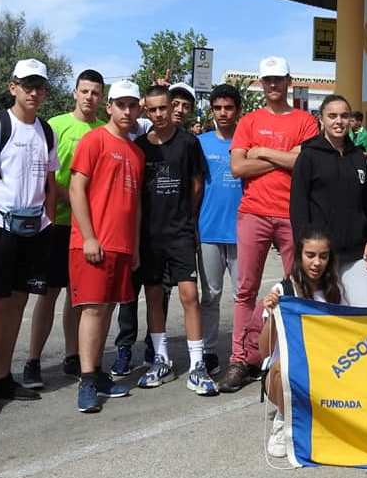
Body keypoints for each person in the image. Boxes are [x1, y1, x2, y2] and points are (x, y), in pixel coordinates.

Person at [220, 56, 318, 393]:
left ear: (288, 81)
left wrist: (260, 152)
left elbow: (303, 161)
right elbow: (238, 168)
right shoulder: (249, 121)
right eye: (268, 80)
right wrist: (282, 159)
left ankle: (290, 353)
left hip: (293, 214)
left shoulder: (305, 120)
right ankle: (240, 357)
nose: (273, 85)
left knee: (298, 286)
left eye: (278, 79)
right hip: (255, 213)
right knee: (245, 289)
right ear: (261, 84)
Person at [0, 58, 58, 416]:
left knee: (19, 304)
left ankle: (5, 376)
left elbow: (50, 182)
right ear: (13, 87)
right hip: (0, 229)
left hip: (34, 232)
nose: (34, 92)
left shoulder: (46, 131)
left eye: (40, 86)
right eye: (28, 85)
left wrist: (49, 220)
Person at [22, 70, 105, 390]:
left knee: (79, 297)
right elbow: (43, 175)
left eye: (95, 93)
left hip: (87, 228)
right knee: (47, 293)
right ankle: (33, 360)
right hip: (54, 224)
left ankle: (73, 356)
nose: (89, 98)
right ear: (75, 93)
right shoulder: (54, 126)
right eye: (84, 91)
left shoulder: (103, 130)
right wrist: (57, 199)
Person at [135, 85, 217, 396]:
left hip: (181, 232)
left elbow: (197, 184)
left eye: (163, 108)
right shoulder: (141, 146)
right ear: (147, 111)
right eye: (152, 110)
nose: (158, 114)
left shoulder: (188, 143)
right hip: (150, 236)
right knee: (155, 297)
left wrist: (188, 220)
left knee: (188, 296)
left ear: (173, 108)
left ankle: (197, 365)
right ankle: (161, 359)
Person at [69, 80, 144, 412]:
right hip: (94, 243)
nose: (126, 111)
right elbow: (76, 188)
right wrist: (88, 236)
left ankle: (97, 371)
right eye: (121, 104)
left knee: (108, 309)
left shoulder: (136, 151)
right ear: (109, 106)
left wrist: (136, 246)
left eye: (132, 105)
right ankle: (86, 380)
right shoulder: (94, 139)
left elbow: (136, 205)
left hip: (123, 245)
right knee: (93, 309)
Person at [259, 225, 342, 458]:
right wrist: (272, 315)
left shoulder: (334, 292)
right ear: (299, 256)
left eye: (323, 256)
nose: (317, 263)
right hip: (286, 372)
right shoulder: (282, 291)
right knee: (278, 370)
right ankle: (283, 419)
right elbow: (263, 350)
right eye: (310, 255)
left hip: (322, 368)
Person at [291, 95, 367, 306]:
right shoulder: (309, 155)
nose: (338, 121)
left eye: (344, 116)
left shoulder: (358, 156)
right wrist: (305, 250)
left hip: (356, 254)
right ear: (321, 119)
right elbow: (298, 206)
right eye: (332, 116)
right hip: (322, 257)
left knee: (364, 312)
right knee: (327, 319)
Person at [196, 84, 243, 376]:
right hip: (208, 230)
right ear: (211, 110)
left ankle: (243, 352)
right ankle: (209, 350)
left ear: (238, 110)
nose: (223, 113)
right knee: (210, 295)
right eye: (218, 108)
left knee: (243, 296)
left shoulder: (246, 140)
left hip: (242, 231)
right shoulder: (200, 143)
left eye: (229, 108)